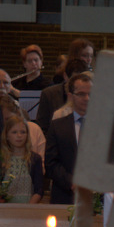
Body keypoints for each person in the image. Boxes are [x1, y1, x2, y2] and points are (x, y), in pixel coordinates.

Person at [45, 73, 92, 205]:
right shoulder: (57, 126)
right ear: (70, 96)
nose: (87, 98)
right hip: (65, 196)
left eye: (91, 94)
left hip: (97, 198)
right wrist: (72, 182)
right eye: (81, 94)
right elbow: (51, 163)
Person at [0, 115, 43, 204]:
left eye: (23, 132)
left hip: (28, 208)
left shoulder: (35, 159)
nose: (19, 136)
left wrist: (27, 208)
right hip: (4, 209)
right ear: (7, 136)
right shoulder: (0, 159)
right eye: (14, 132)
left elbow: (39, 190)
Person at [35, 58, 88, 132]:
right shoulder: (48, 94)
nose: (80, 85)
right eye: (75, 80)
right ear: (65, 76)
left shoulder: (90, 96)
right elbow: (42, 128)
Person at [0, 95, 45, 166]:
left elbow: (42, 164)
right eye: (1, 120)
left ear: (18, 115)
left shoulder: (34, 129)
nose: (5, 124)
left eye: (9, 119)